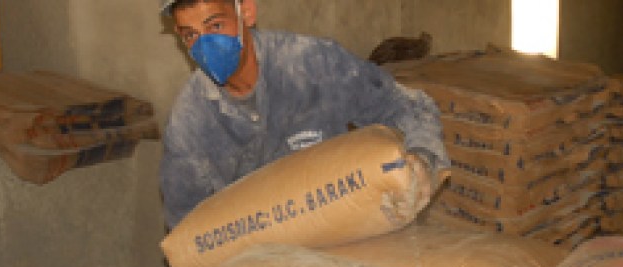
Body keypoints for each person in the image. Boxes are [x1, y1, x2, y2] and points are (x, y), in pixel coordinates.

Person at [159, 0, 450, 229]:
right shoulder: (191, 121)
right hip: (261, 261)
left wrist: (423, 162)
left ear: (245, 12)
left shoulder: (311, 63)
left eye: (215, 25)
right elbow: (187, 225)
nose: (205, 45)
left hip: (342, 231)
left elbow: (407, 106)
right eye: (191, 35)